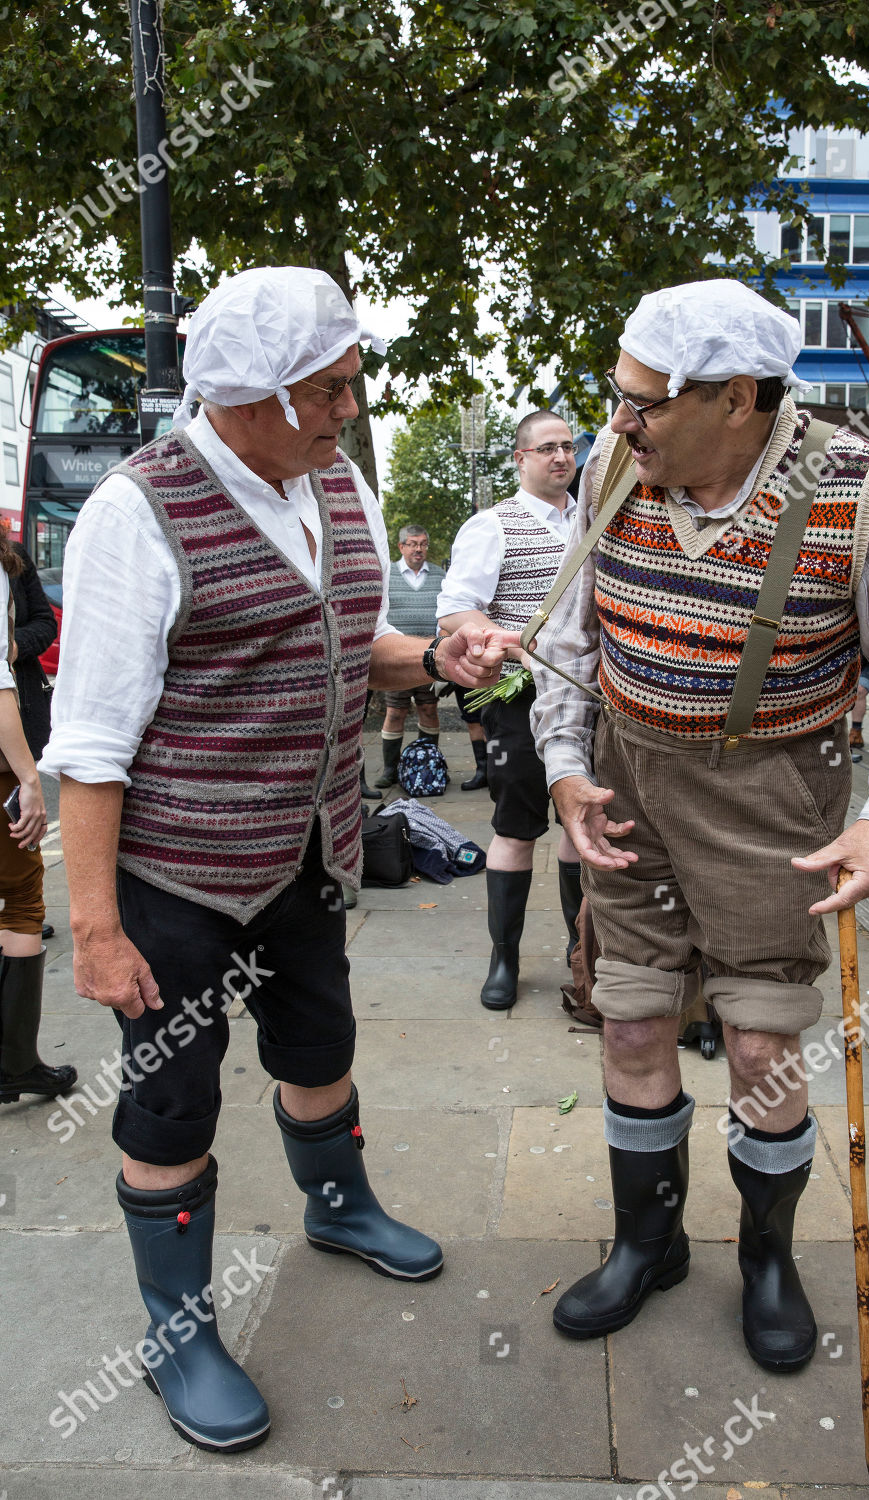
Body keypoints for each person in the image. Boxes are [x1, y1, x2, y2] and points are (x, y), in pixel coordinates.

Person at [39, 267, 516, 1453]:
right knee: (169, 1102)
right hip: (176, 879)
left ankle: (339, 1206)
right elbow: (90, 746)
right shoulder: (136, 513)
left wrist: (438, 658)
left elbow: (359, 644)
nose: (352, 405)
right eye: (332, 388)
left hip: (308, 851)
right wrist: (93, 929)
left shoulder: (329, 479)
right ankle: (179, 1332)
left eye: (353, 381)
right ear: (250, 398)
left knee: (321, 1045)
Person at [529, 279, 869, 1372]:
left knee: (763, 1044)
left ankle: (767, 1260)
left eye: (642, 404)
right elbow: (575, 644)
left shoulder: (861, 494)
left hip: (775, 796)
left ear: (736, 399)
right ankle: (649, 1243)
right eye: (615, 398)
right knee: (630, 1024)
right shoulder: (610, 469)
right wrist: (561, 768)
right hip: (627, 783)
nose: (616, 424)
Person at [437, 411, 584, 1009]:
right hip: (519, 697)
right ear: (520, 459)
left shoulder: (601, 522)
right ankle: (505, 959)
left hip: (590, 696)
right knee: (515, 827)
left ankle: (585, 958)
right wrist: (502, 636)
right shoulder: (491, 526)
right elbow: (453, 610)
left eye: (568, 446)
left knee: (584, 824)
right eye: (546, 448)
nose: (561, 457)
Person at [0, 529, 75, 1103]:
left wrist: (16, 645)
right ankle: (15, 1064)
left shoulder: (16, 568)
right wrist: (29, 777)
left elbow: (40, 629)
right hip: (4, 754)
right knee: (23, 900)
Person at [372, 525, 446, 788]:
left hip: (430, 659)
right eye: (413, 544)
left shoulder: (439, 575)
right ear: (401, 546)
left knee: (429, 709)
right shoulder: (387, 574)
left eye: (423, 543)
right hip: (397, 658)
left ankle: (427, 764)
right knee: (395, 712)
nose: (419, 549)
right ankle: (389, 771)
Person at [11, 542, 59, 939]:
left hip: (18, 714)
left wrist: (12, 647)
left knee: (20, 827)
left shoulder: (13, 558)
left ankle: (22, 909)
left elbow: (45, 624)